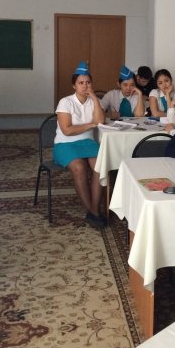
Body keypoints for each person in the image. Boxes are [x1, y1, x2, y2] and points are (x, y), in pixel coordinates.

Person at [53, 60, 106, 228]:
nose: (85, 86)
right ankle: (93, 211)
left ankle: (93, 210)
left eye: (88, 82)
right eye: (81, 83)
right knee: (79, 167)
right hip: (65, 144)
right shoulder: (65, 102)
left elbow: (100, 121)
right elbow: (67, 130)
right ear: (74, 86)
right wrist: (89, 125)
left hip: (87, 142)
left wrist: (95, 98)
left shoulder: (94, 101)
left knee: (100, 166)